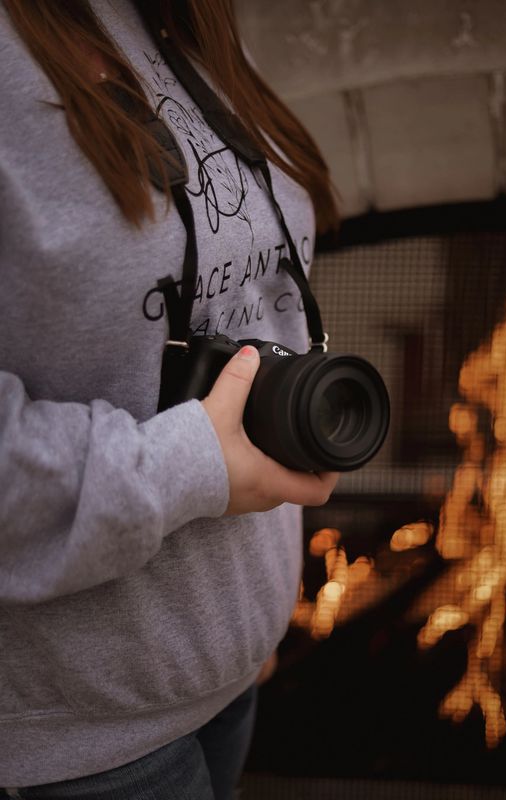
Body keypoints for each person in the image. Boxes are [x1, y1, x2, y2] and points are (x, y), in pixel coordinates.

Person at [0, 1, 339, 797]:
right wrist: (184, 469)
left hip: (223, 676)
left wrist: (248, 604)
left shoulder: (169, 15)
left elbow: (247, 313)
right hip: (79, 737)